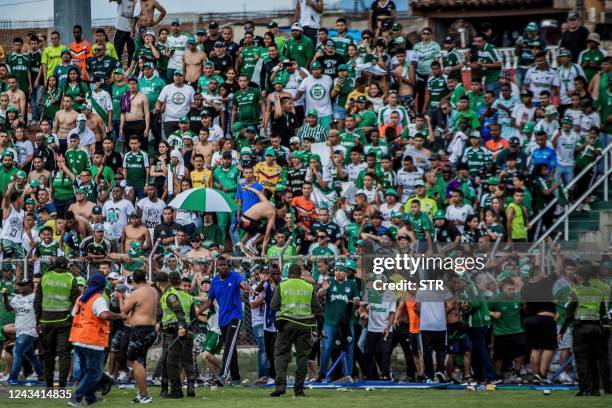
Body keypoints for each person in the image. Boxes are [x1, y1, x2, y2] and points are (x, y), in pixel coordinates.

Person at [68, 272, 126, 406]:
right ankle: (76, 397)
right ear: (101, 285)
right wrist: (119, 316)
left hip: (78, 338)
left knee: (85, 371)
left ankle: (90, 398)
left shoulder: (81, 297)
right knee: (94, 373)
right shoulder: (98, 298)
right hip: (92, 340)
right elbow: (104, 315)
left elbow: (74, 314)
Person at [200, 256, 254, 386]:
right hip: (222, 319)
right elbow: (209, 301)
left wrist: (249, 289)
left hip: (235, 316)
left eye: (225, 264)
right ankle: (235, 379)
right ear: (217, 266)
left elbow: (243, 284)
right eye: (220, 265)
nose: (223, 267)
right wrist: (198, 311)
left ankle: (222, 375)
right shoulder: (214, 281)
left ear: (228, 266)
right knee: (231, 349)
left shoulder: (234, 276)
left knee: (229, 345)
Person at [269, 263, 322, 397]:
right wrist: (320, 326)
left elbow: (273, 306)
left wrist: (277, 321)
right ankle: (299, 389)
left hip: (286, 325)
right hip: (305, 326)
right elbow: (317, 309)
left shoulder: (282, 285)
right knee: (302, 357)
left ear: (288, 273)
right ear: (300, 274)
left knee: (281, 355)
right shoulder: (309, 287)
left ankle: (280, 386)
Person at [559, 265, 609, 396]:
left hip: (581, 328)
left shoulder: (576, 292)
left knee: (581, 359)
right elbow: (603, 314)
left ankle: (584, 388)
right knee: (594, 359)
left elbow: (569, 315)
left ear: (580, 278)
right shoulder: (599, 292)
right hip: (597, 328)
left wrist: (561, 331)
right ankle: (596, 389)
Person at [34, 256, 80, 389]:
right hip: (64, 322)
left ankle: (49, 385)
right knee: (64, 354)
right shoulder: (71, 278)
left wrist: (38, 320)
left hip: (45, 321)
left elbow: (37, 301)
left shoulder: (45, 277)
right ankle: (62, 386)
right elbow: (76, 301)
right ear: (66, 266)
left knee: (48, 354)